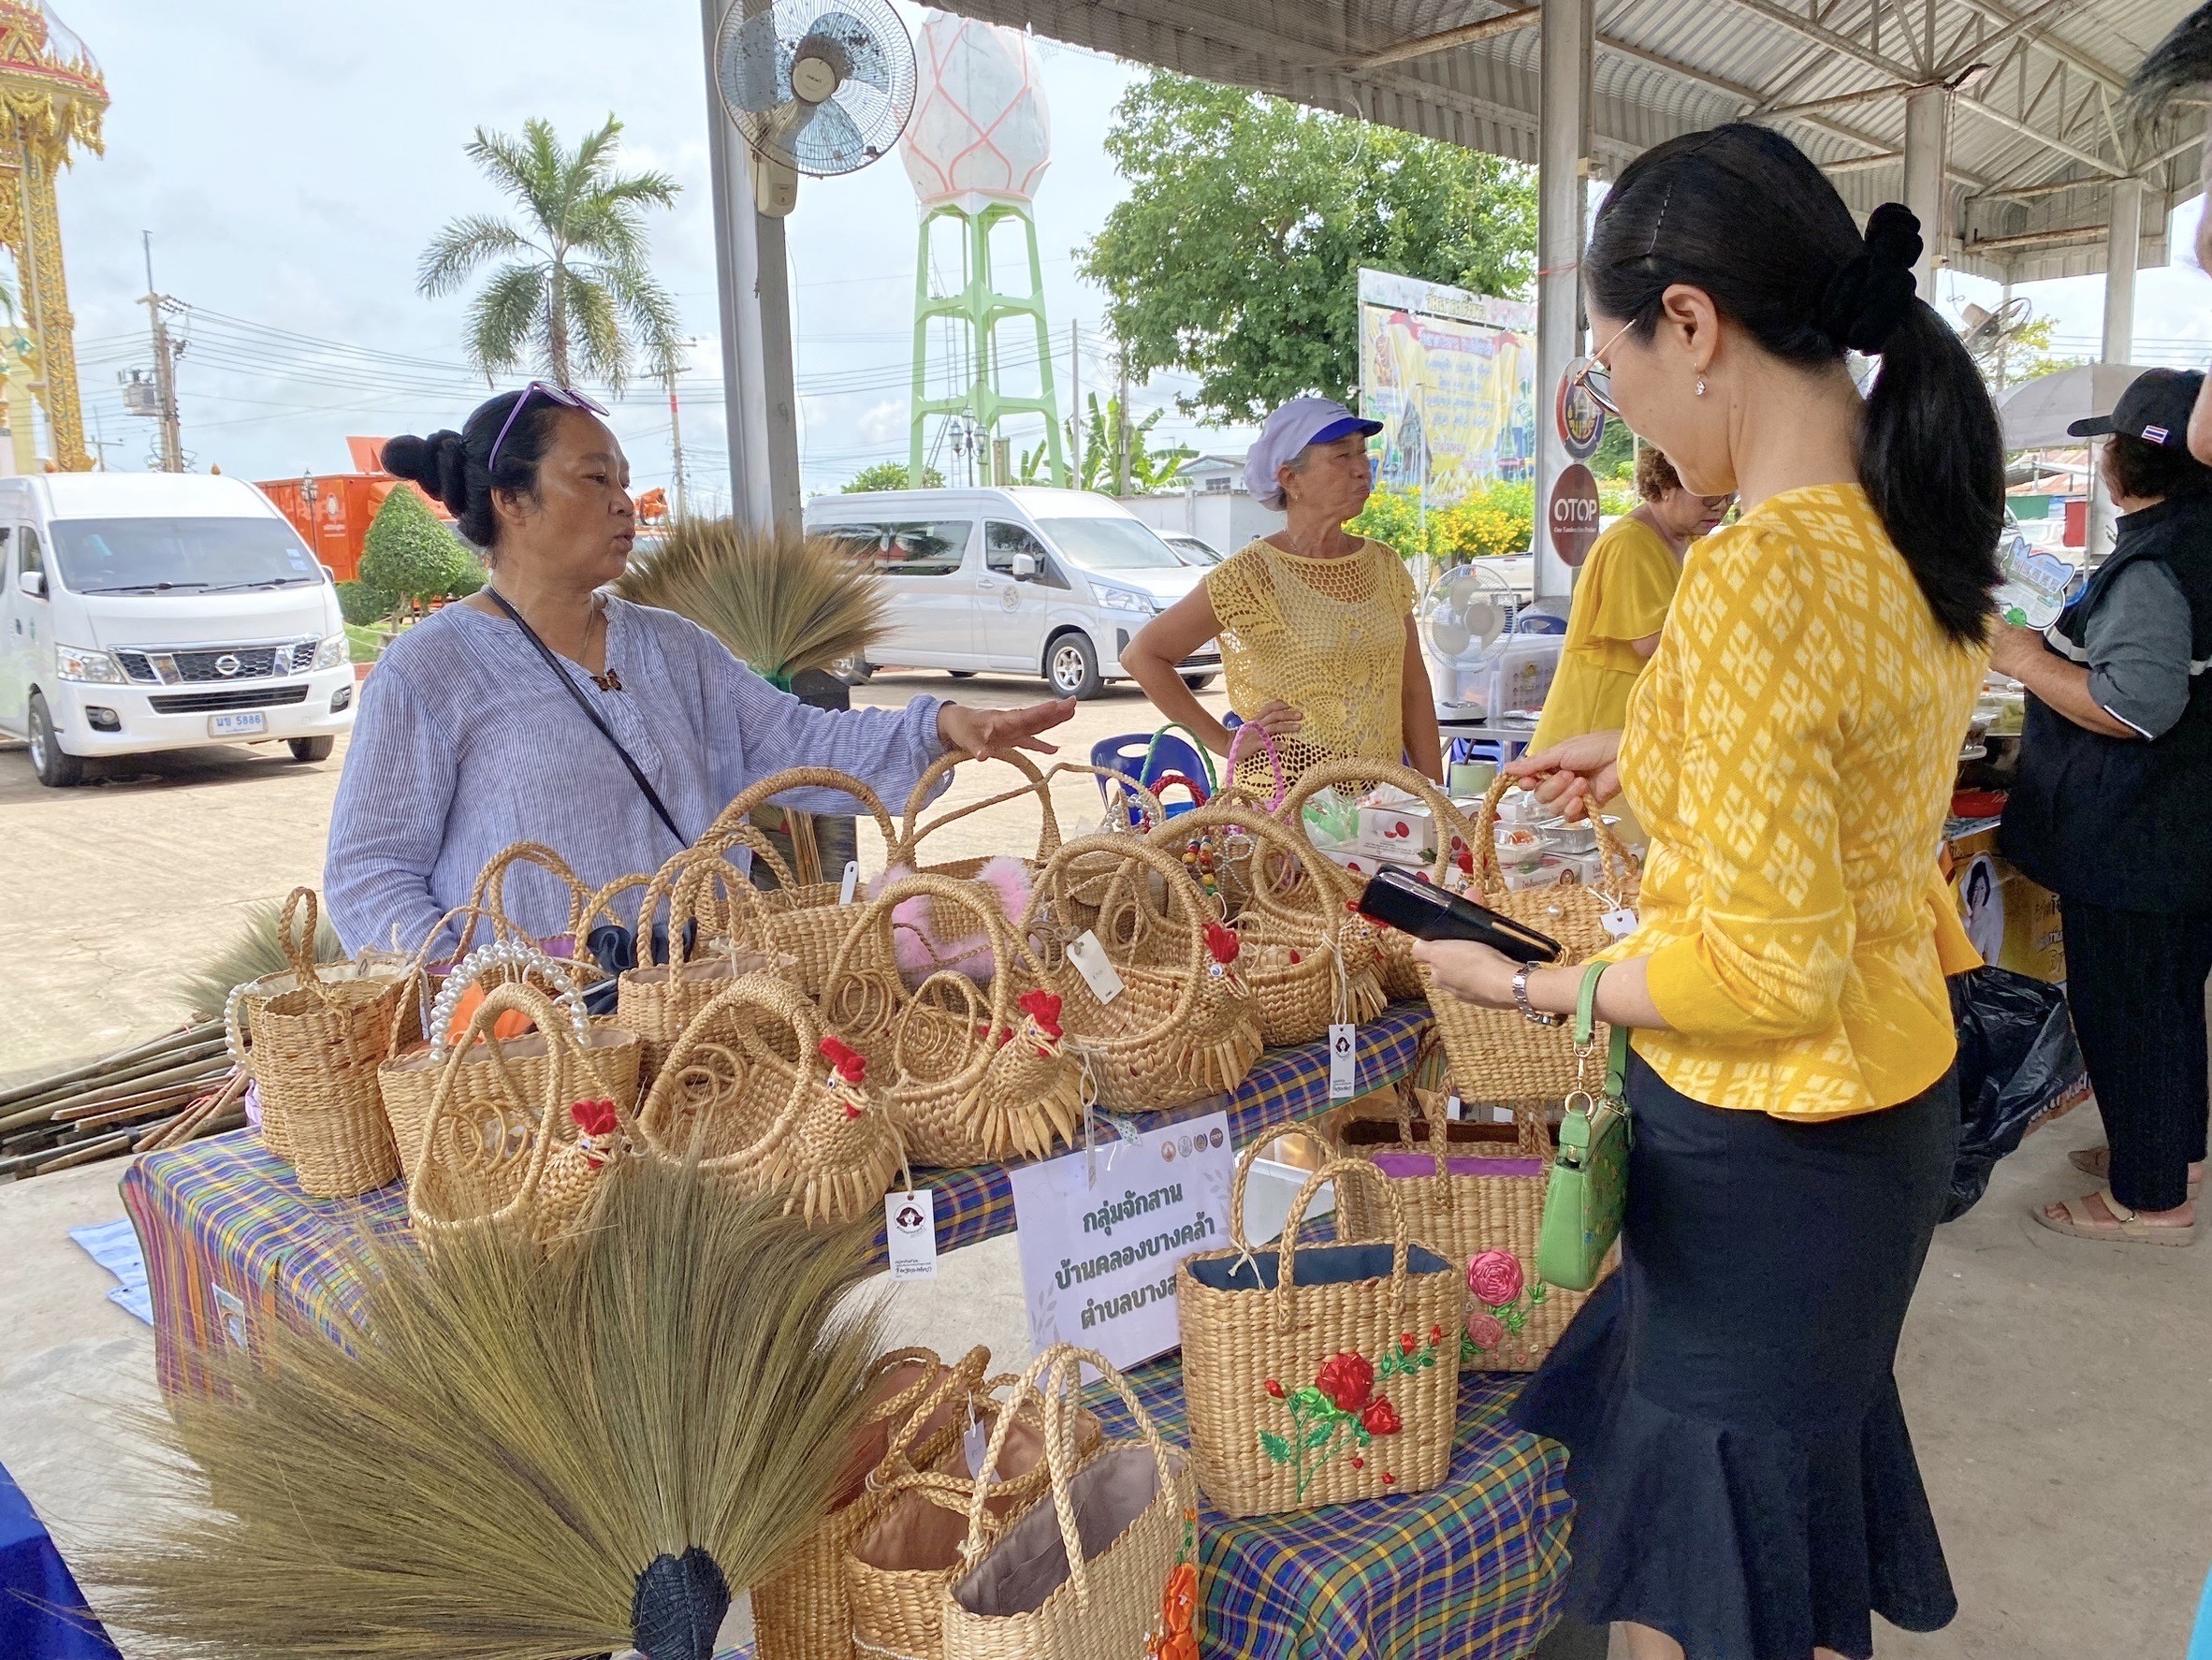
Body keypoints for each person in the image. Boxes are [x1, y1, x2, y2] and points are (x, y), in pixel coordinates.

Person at [1412, 124, 2003, 1660]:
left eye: (1618, 375)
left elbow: (1758, 973)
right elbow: (1856, 800)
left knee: (1696, 1570)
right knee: (1771, 1534)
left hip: (1762, 1140)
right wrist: (1648, 741)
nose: (1634, 427)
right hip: (1873, 1123)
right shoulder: (1903, 529)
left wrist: (1529, 985)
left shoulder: (1748, 572)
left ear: (1690, 323)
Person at [324, 383, 1072, 956]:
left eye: (625, 482)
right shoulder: (429, 671)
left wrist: (941, 726)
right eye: (595, 481)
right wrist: (474, 993)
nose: (626, 505)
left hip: (703, 1004)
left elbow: (797, 743)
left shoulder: (672, 648)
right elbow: (369, 876)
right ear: (511, 501)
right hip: (539, 1059)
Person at [1992, 368, 2212, 1245]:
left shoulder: (2160, 562)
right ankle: (2168, 1153)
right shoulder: (2197, 540)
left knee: (2132, 1013)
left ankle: (2149, 1200)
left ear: (2123, 464)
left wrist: (2017, 657)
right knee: (2167, 1006)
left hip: (2138, 841)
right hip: (2181, 835)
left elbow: (2133, 707)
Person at [1121, 397, 1442, 786]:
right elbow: (1143, 655)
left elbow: (1413, 688)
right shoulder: (1252, 573)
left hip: (1380, 800)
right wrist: (1223, 740)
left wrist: (1433, 795)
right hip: (1283, 805)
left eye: (1363, 454)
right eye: (1342, 457)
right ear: (1291, 479)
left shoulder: (1384, 564)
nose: (1362, 469)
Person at [1527, 444, 1730, 761]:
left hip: (1631, 728)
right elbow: (1650, 641)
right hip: (1593, 727)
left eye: (1730, 498)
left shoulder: (1687, 542)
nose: (1721, 508)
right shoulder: (1629, 543)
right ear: (1665, 487)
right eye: (1710, 497)